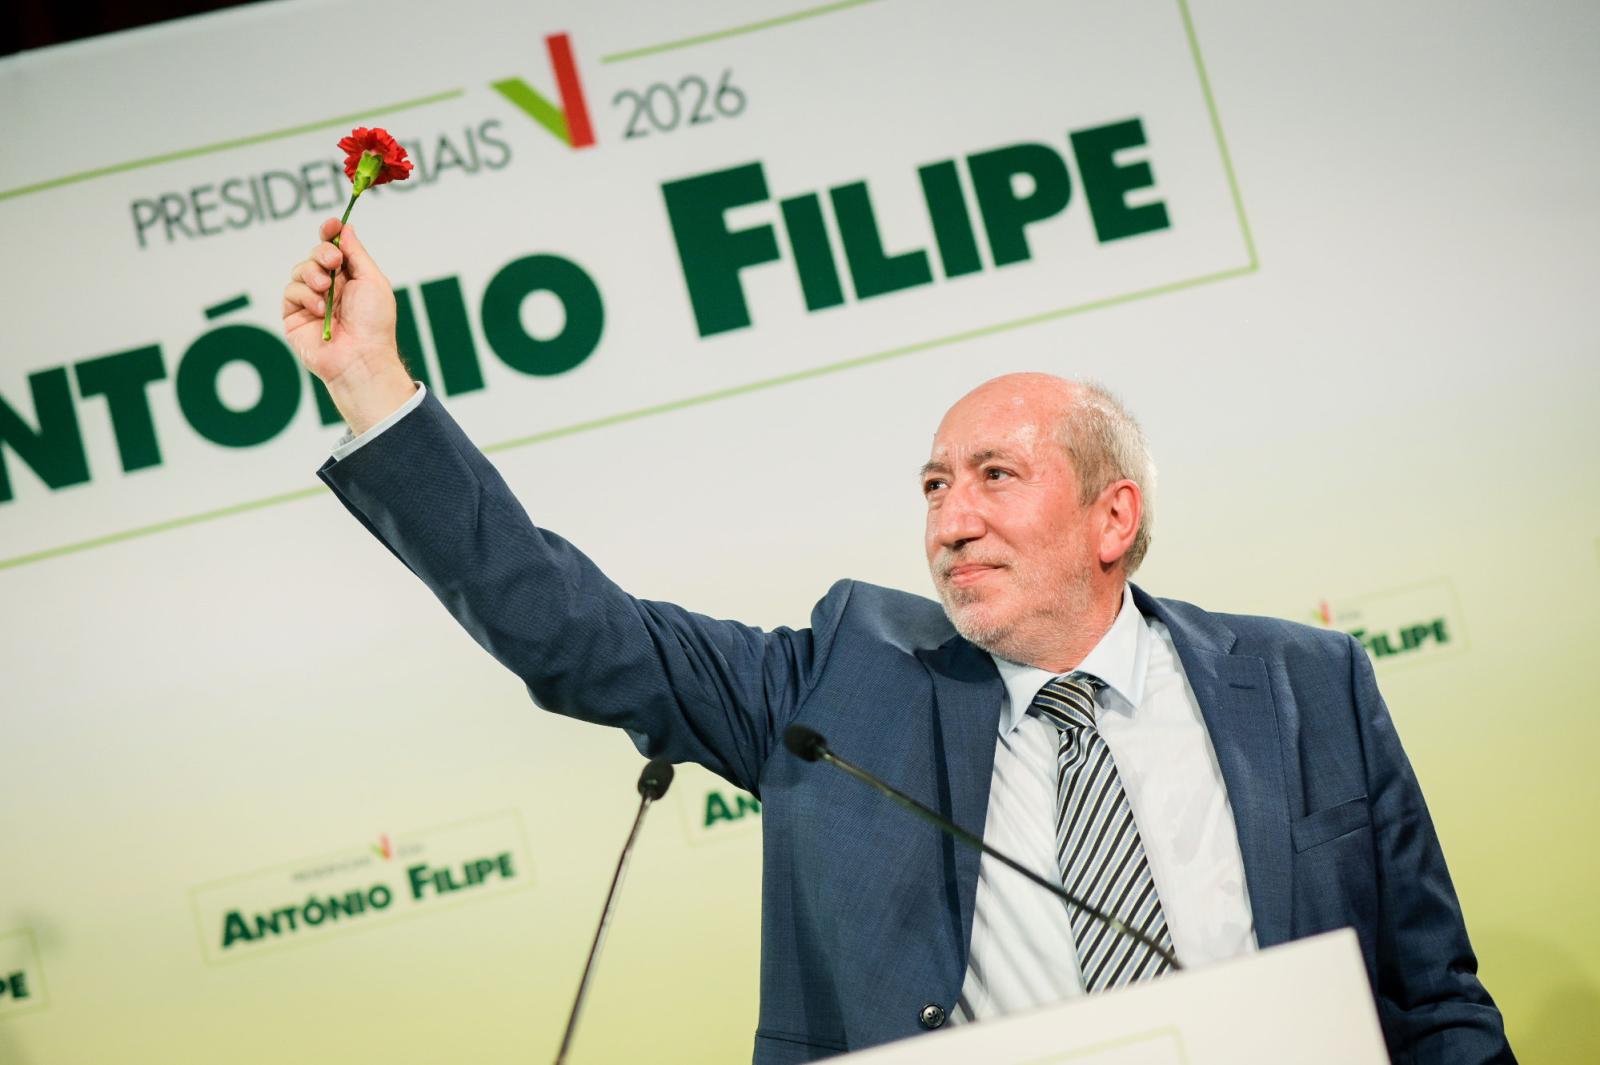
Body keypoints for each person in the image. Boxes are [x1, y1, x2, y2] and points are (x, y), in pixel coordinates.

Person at [284, 219, 1515, 1063]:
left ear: (1112, 517)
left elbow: (1434, 1000)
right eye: (933, 486)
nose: (950, 519)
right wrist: (375, 388)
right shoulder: (840, 687)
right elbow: (568, 630)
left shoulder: (1305, 683)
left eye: (994, 476)